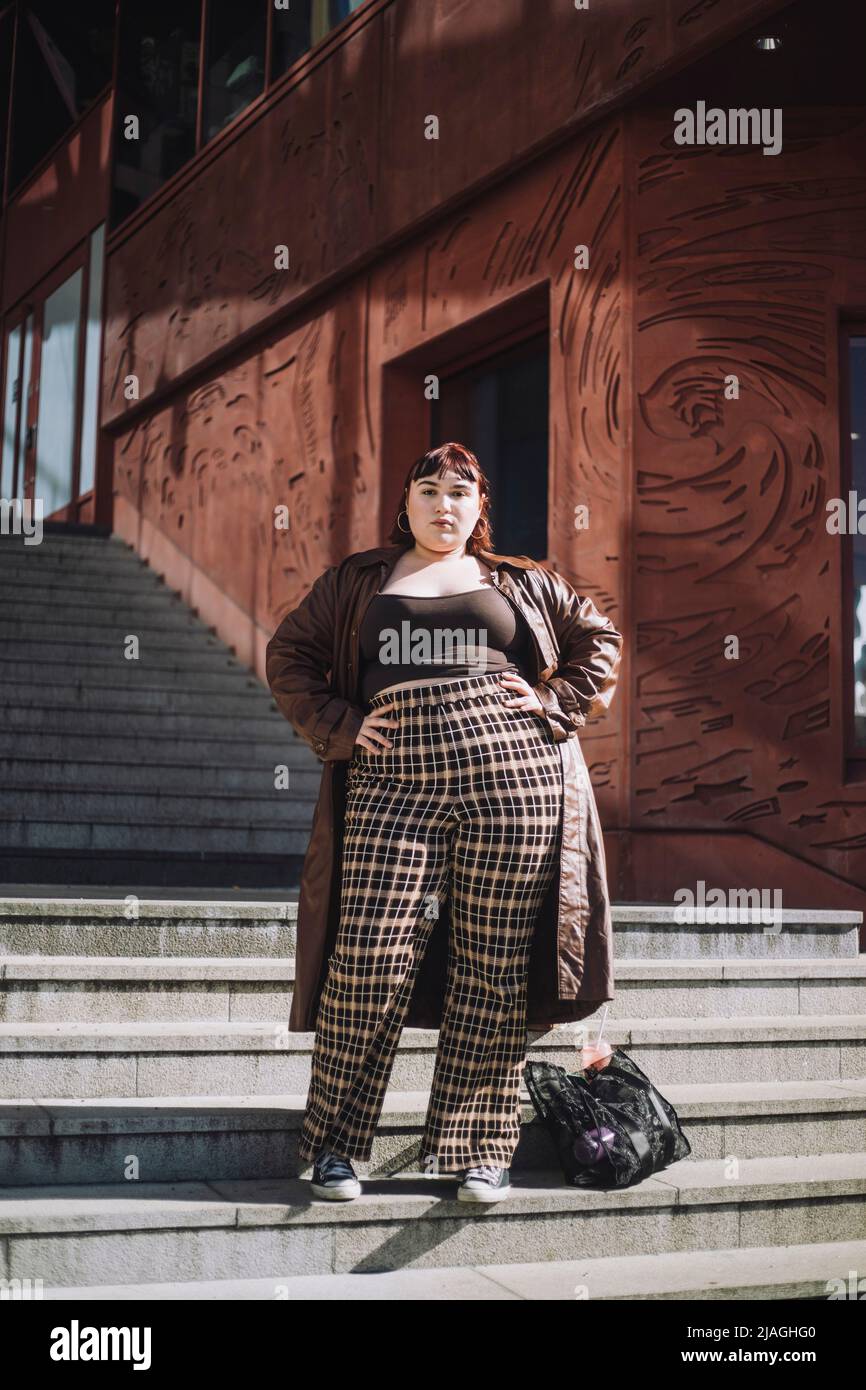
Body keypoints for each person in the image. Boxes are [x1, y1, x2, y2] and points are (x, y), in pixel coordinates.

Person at [265, 442, 623, 1203]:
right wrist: (340, 724)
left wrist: (556, 707)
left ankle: (477, 1152)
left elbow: (601, 642)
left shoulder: (518, 580)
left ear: (478, 508)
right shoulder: (361, 578)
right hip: (392, 777)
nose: (444, 504)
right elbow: (289, 654)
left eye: (460, 492)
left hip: (515, 776)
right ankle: (334, 1148)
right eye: (429, 489)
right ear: (407, 503)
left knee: (493, 969)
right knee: (367, 958)